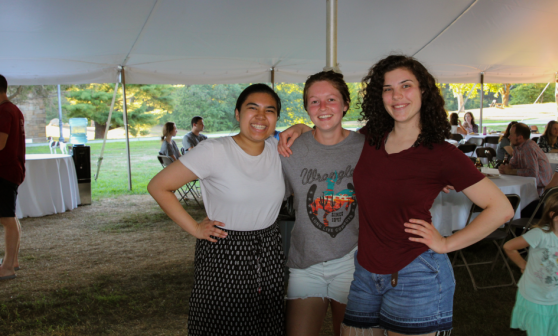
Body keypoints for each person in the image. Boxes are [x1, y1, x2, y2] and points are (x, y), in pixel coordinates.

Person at [279, 55, 513, 336]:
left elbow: (500, 208)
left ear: (423, 91)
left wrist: (447, 243)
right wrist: (304, 129)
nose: (396, 96)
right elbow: (331, 135)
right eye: (388, 89)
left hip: (415, 271)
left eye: (406, 86)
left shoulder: (441, 154)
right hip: (365, 272)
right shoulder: (371, 139)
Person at [148, 84, 286, 335]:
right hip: (225, 250)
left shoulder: (276, 149)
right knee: (221, 325)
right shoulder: (215, 150)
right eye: (252, 108)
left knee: (266, 325)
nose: (260, 117)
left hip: (268, 250)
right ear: (237, 114)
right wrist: (195, 228)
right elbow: (158, 186)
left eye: (270, 110)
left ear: (276, 118)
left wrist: (299, 128)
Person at [279, 71, 363, 336]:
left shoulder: (367, 147)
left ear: (346, 104)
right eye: (314, 101)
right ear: (306, 108)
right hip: (306, 263)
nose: (323, 107)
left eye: (331, 99)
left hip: (354, 260)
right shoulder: (290, 149)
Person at [503, 192, 558, 336]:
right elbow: (509, 247)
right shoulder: (541, 235)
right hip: (533, 294)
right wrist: (523, 265)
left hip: (555, 295)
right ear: (554, 216)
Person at [0, 74, 24, 281]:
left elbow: (0, 143)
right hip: (11, 170)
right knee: (9, 216)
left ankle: (7, 267)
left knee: (6, 218)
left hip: (4, 171)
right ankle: (12, 260)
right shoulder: (13, 109)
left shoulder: (5, 111)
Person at [499, 123, 552, 194]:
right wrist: (505, 168)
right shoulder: (519, 147)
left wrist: (510, 171)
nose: (509, 137)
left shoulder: (528, 147)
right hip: (529, 186)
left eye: (511, 135)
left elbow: (533, 173)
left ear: (520, 137)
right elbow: (512, 165)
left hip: (538, 192)